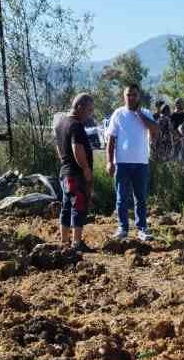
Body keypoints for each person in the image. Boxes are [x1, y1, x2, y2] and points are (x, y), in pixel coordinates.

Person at [106, 83, 157, 241]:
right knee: (121, 197)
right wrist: (109, 162)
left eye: (134, 95)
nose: (131, 97)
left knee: (140, 197)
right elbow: (111, 140)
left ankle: (142, 228)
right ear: (124, 96)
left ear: (138, 96)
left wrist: (139, 114)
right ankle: (123, 228)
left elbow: (155, 129)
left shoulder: (145, 113)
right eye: (128, 94)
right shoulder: (118, 114)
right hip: (122, 163)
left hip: (141, 163)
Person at [53, 92, 96, 250]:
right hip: (75, 175)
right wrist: (86, 169)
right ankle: (77, 243)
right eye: (89, 110)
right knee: (79, 206)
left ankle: (64, 242)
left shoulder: (61, 123)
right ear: (79, 107)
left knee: (66, 207)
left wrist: (65, 162)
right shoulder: (75, 125)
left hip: (64, 173)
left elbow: (58, 147)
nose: (90, 114)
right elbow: (77, 148)